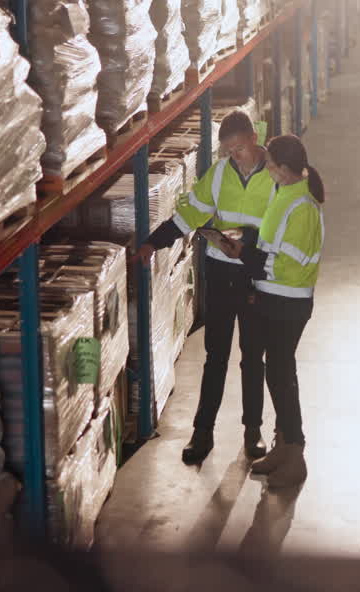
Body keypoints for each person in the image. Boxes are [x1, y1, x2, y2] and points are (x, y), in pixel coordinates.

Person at [137, 111, 275, 465]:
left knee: (253, 358)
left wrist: (248, 239)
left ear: (254, 140)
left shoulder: (275, 178)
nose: (234, 157)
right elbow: (190, 215)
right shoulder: (218, 175)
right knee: (215, 357)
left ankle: (252, 431)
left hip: (256, 275)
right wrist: (155, 243)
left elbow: (283, 229)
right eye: (228, 151)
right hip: (220, 273)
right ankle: (203, 432)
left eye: (239, 149)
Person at [220, 134, 326, 488]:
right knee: (278, 373)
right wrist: (249, 243)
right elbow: (271, 243)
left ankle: (295, 453)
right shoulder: (285, 197)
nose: (267, 169)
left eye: (271, 165)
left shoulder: (303, 208)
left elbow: (289, 266)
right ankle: (286, 447)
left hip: (289, 302)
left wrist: (246, 257)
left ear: (283, 168)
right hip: (273, 299)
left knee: (281, 374)